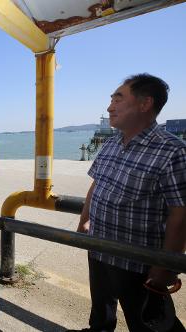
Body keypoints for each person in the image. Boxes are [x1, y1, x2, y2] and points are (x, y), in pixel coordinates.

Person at [73, 74, 186, 332]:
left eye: (118, 99)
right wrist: (84, 219)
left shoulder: (172, 151)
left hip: (137, 260)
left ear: (145, 104)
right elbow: (97, 183)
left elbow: (180, 215)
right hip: (100, 248)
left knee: (150, 323)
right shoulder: (112, 143)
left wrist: (164, 267)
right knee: (101, 312)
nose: (110, 107)